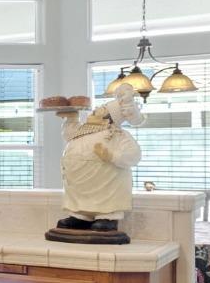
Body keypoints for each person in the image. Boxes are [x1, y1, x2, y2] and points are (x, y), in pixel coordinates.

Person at [56, 82, 144, 232]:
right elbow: (69, 134)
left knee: (105, 198)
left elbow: (134, 154)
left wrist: (111, 155)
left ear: (108, 119)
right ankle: (80, 216)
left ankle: (107, 217)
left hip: (106, 180)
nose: (93, 111)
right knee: (81, 198)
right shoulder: (84, 130)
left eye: (99, 110)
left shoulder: (117, 134)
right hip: (79, 182)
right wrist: (71, 118)